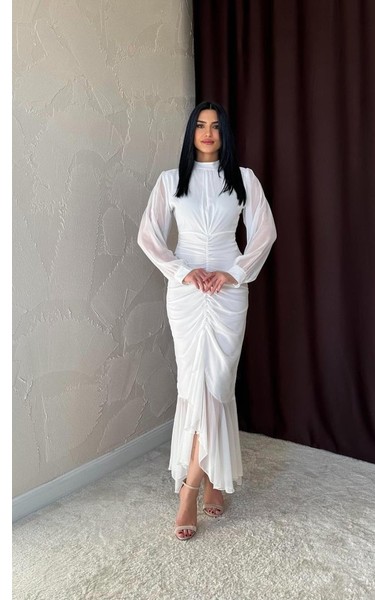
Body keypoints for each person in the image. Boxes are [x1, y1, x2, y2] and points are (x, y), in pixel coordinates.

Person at [137, 101, 277, 540]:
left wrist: (232, 273)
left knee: (218, 383)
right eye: (200, 125)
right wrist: (182, 271)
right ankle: (208, 479)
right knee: (194, 384)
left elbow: (264, 233)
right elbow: (149, 236)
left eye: (215, 126)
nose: (208, 132)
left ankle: (193, 488)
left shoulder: (244, 179)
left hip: (228, 292)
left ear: (224, 133)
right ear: (191, 132)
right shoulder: (170, 180)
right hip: (186, 294)